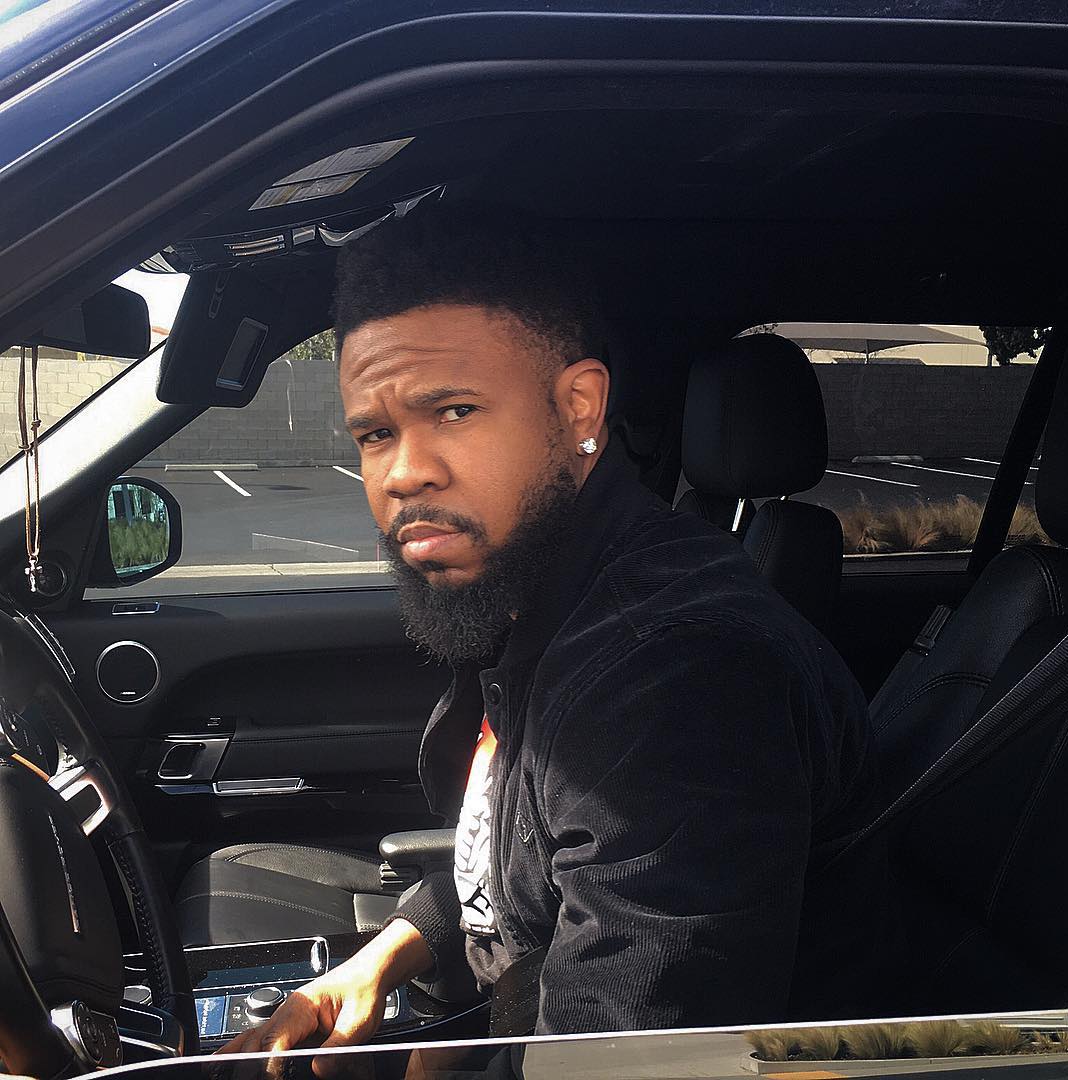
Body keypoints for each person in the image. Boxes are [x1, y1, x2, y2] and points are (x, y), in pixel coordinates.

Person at [218, 207, 895, 1070]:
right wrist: (379, 958)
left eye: (455, 411)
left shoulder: (674, 678)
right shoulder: (554, 593)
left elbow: (623, 1064)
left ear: (579, 406)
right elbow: (531, 857)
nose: (402, 472)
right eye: (375, 433)